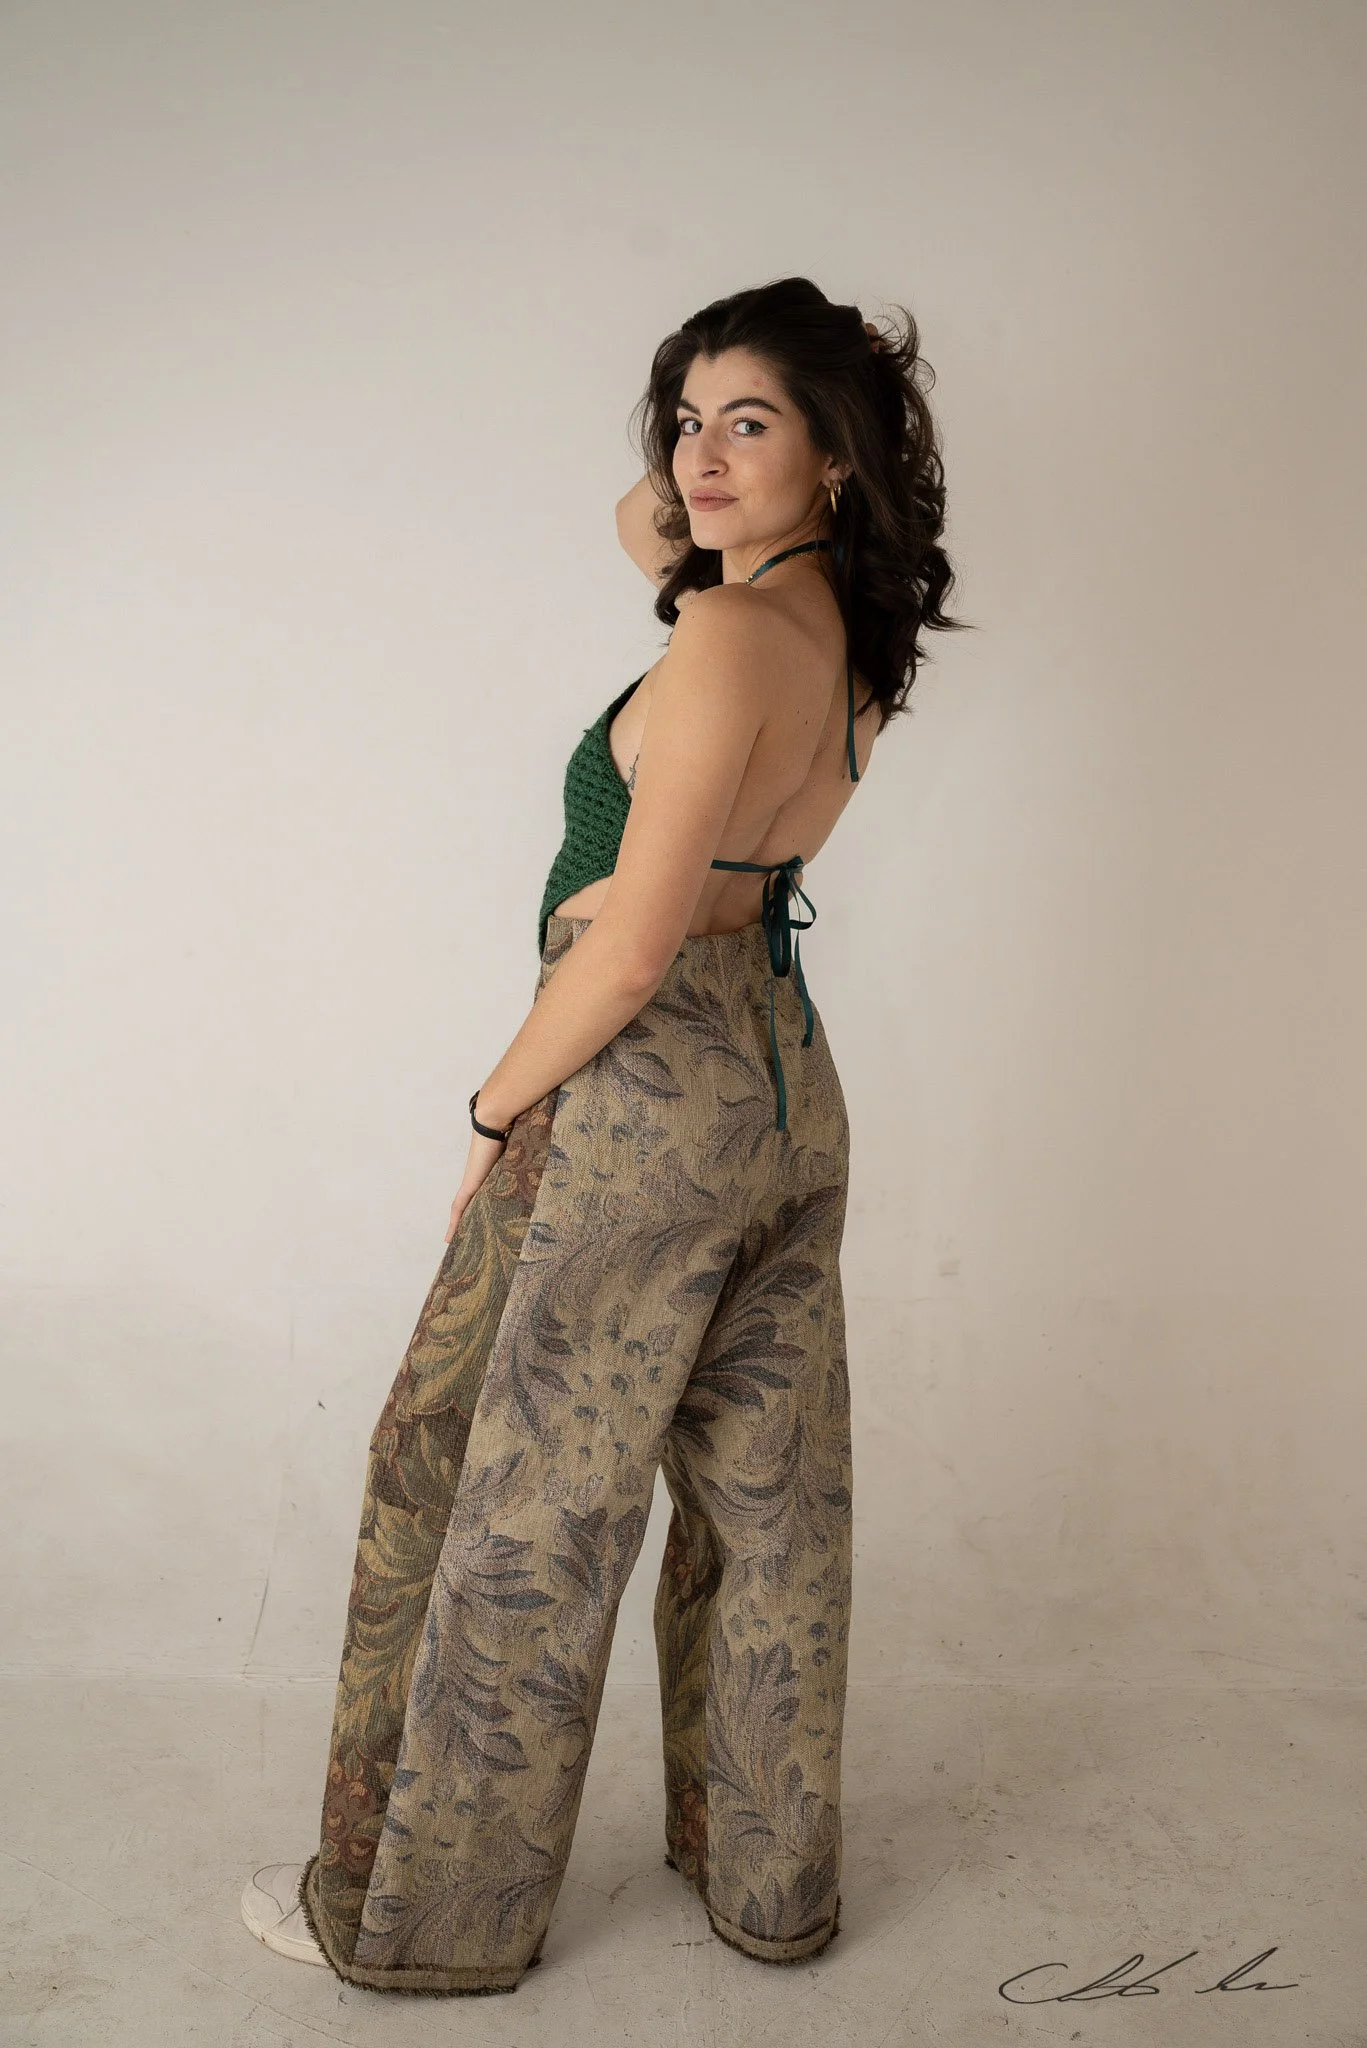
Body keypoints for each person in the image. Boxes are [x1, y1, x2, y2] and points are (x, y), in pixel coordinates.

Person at [240, 275, 964, 1993]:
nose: (695, 460)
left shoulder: (722, 640)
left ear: (837, 453)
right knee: (765, 1507)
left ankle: (420, 1923)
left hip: (636, 1098)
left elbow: (630, 947)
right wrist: (738, 469)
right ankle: (768, 1892)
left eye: (748, 423)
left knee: (498, 1496)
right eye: (685, 421)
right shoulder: (846, 636)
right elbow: (655, 519)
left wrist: (494, 1109)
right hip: (781, 1086)